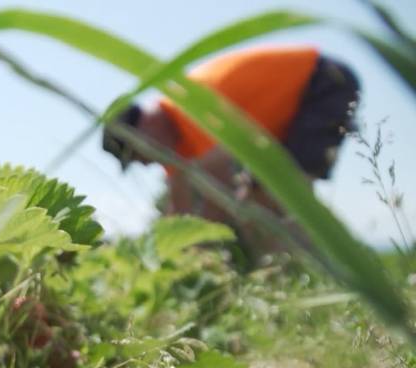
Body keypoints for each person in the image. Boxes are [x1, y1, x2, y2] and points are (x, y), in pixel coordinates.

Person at [102, 45, 360, 251]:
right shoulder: (174, 145)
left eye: (137, 156)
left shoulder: (190, 106)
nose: (145, 164)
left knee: (275, 198)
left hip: (321, 82)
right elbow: (179, 212)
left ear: (145, 129)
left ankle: (320, 277)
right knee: (258, 204)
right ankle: (290, 276)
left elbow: (219, 194)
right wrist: (170, 252)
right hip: (284, 118)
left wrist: (197, 253)